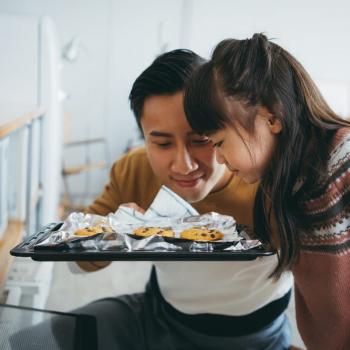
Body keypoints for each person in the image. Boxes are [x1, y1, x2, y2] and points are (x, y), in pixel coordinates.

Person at [71, 49, 293, 349]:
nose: (183, 165)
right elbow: (74, 260)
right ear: (143, 138)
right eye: (162, 143)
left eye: (201, 140)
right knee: (41, 339)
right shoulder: (134, 170)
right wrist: (111, 239)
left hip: (257, 336)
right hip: (159, 318)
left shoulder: (269, 180)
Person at [183, 33, 350, 350]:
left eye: (219, 142)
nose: (218, 157)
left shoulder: (344, 161)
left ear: (270, 118)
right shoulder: (284, 184)